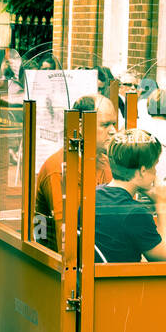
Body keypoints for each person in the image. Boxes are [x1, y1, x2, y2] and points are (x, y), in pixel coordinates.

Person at [33, 94, 118, 249]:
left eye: (114, 124)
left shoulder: (105, 160)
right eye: (105, 125)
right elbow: (68, 236)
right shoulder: (60, 169)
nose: (113, 131)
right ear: (81, 127)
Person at [95, 129, 166, 262]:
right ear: (142, 171)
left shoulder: (95, 194)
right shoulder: (135, 212)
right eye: (154, 166)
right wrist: (162, 204)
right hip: (126, 281)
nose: (156, 172)